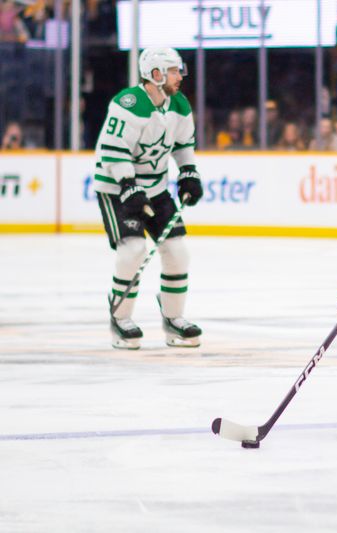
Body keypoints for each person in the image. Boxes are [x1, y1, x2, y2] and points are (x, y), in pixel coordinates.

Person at [93, 47, 203, 350]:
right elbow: (113, 150)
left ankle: (173, 318)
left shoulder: (178, 105)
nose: (179, 76)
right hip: (116, 189)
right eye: (173, 70)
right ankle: (121, 317)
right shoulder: (127, 104)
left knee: (177, 250)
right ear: (155, 74)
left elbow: (184, 144)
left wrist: (189, 172)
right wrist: (128, 184)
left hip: (155, 190)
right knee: (133, 250)